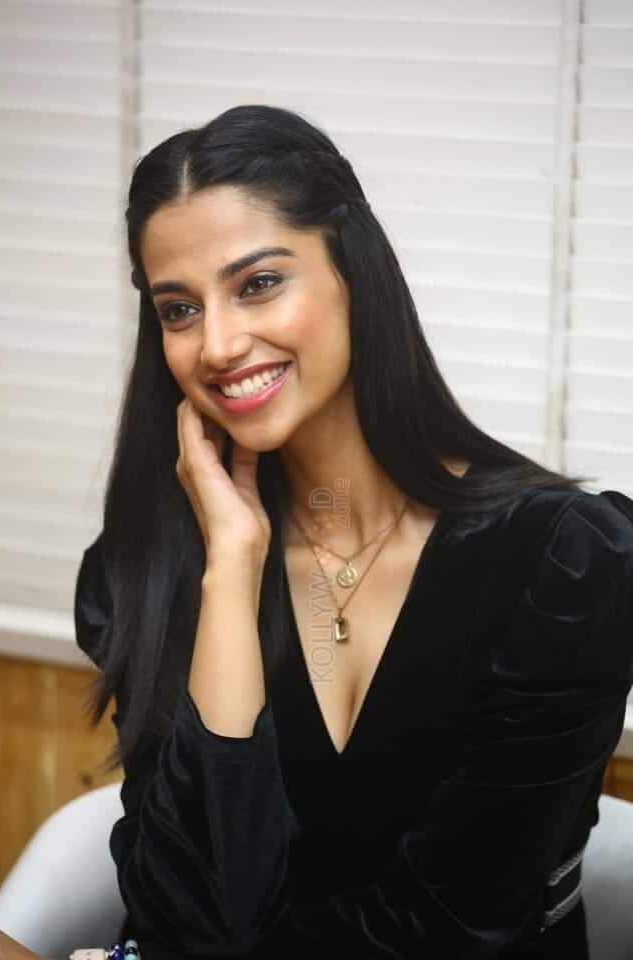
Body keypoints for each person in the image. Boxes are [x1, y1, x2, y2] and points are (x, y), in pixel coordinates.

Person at [67, 104, 633, 959]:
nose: (216, 344)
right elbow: (190, 921)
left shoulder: (563, 566)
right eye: (178, 308)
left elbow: (450, 929)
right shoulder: (148, 572)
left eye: (258, 283)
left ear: (353, 275)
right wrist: (230, 572)